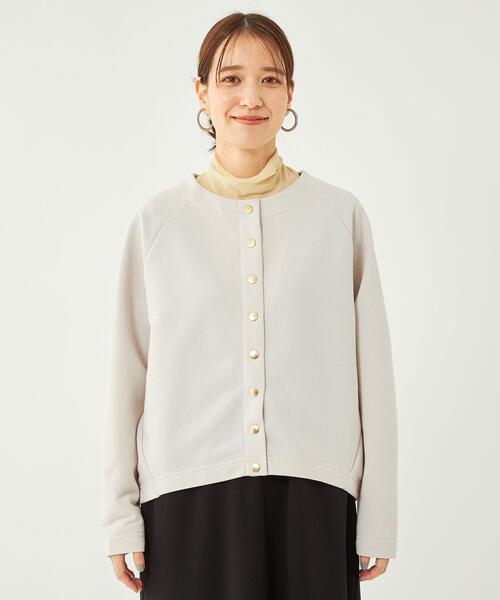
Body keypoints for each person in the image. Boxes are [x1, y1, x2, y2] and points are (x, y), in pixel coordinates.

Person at [101, 12, 398, 600]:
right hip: (185, 503)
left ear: (290, 93)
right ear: (202, 93)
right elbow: (126, 377)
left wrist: (380, 514)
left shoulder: (339, 218)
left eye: (270, 79)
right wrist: (119, 515)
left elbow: (375, 375)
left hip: (314, 500)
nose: (251, 97)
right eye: (231, 78)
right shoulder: (158, 224)